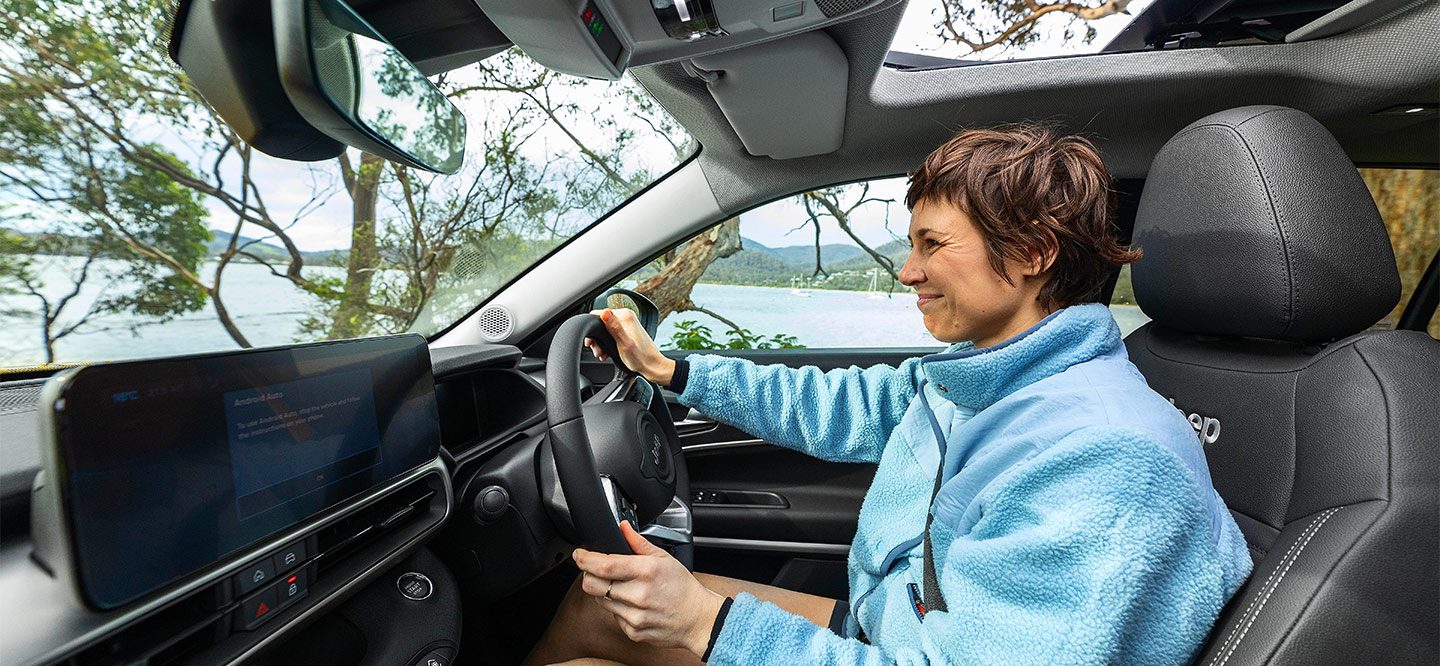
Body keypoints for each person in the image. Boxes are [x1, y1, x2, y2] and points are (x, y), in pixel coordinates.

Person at [525, 125, 1253, 666]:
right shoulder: (985, 375)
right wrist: (673, 372)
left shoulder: (1107, 460)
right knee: (602, 602)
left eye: (934, 245)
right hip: (898, 633)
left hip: (917, 651)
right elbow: (839, 405)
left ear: (1033, 252)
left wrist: (708, 627)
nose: (908, 272)